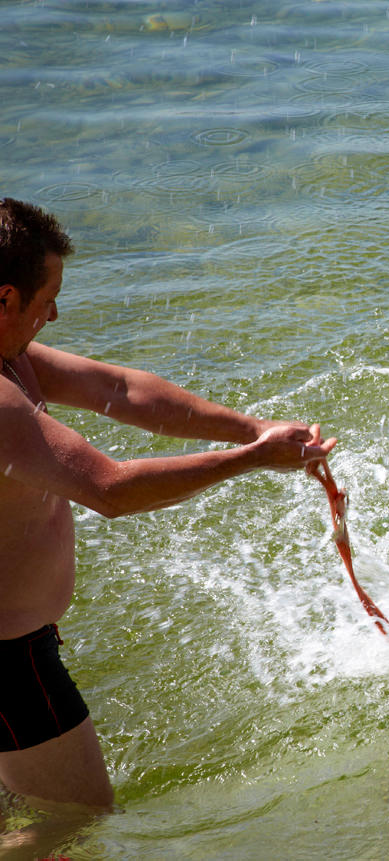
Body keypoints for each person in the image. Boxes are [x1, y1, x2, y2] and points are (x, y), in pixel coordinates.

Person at [0, 198, 337, 810]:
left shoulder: (12, 355)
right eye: (48, 296)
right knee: (73, 822)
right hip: (8, 663)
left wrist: (251, 428)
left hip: (20, 641)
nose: (55, 312)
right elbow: (109, 487)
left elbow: (118, 389)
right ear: (3, 299)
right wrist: (251, 460)